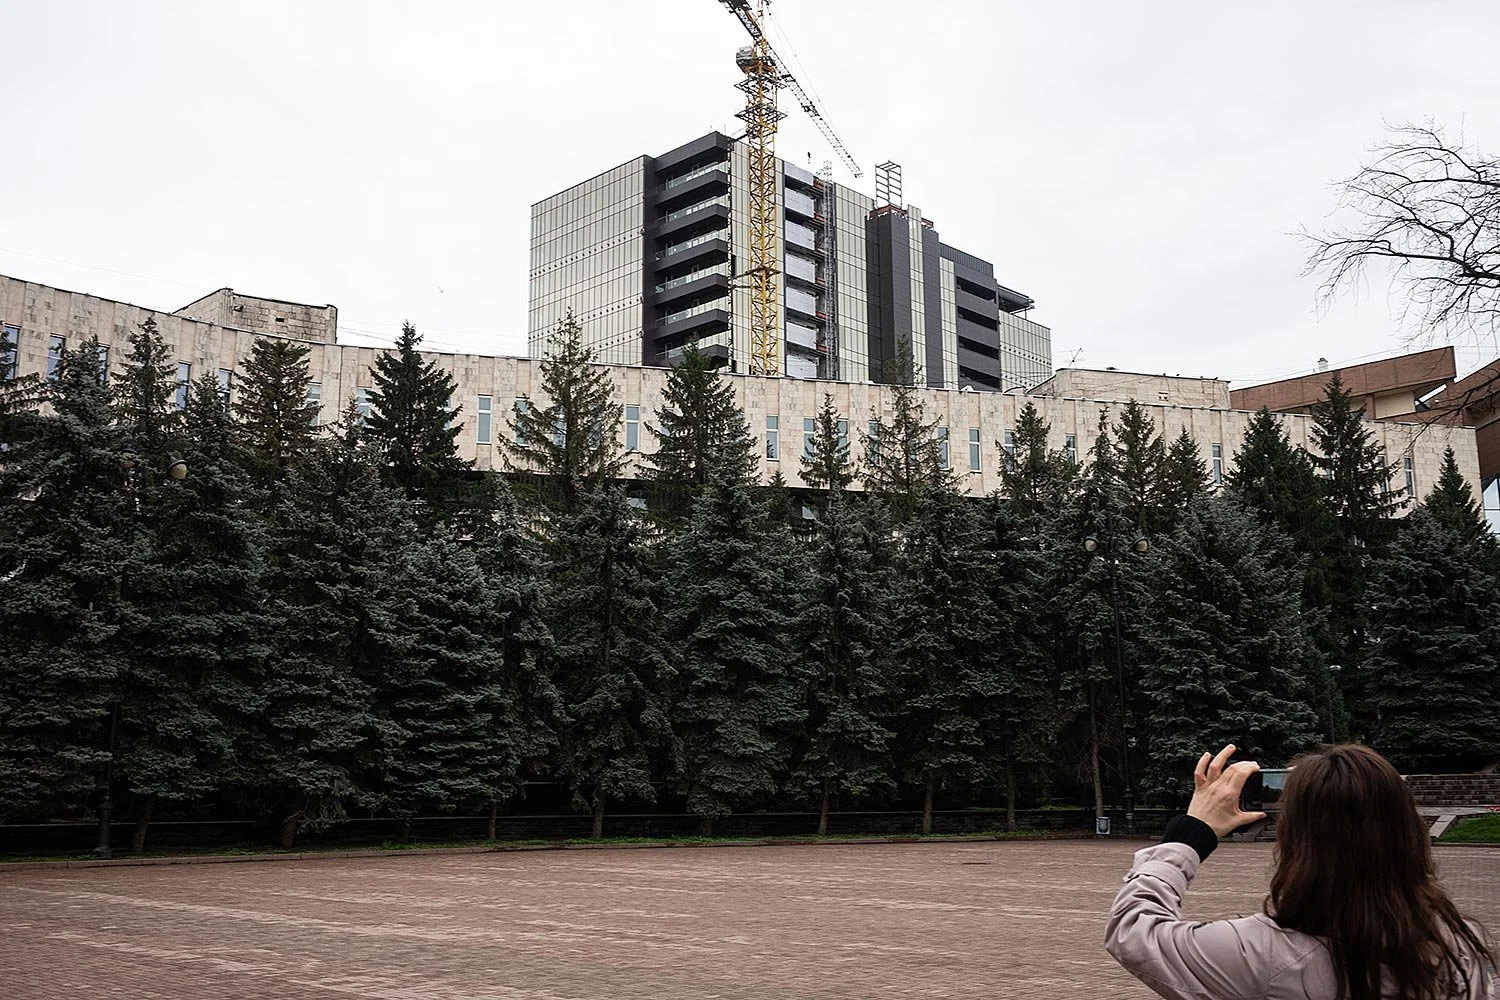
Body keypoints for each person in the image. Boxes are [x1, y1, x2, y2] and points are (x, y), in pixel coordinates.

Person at [1105, 743, 1496, 1000]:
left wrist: (1191, 835)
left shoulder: (1258, 953)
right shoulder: (1460, 944)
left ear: (1294, 840)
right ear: (1407, 832)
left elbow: (1133, 931)